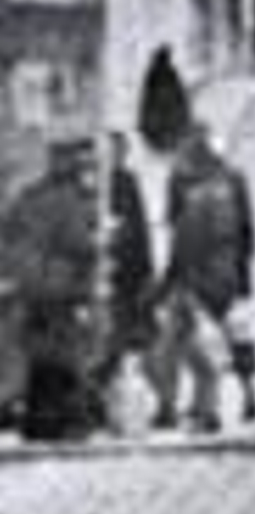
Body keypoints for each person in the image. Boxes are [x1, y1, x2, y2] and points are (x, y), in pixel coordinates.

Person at [153, 127, 255, 432]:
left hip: (196, 279)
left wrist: (169, 280)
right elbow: (248, 231)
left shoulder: (187, 188)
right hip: (228, 273)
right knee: (236, 336)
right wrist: (243, 271)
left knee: (180, 342)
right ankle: (246, 392)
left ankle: (181, 407)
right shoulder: (233, 180)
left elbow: (180, 235)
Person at [1, 139, 98, 440]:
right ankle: (69, 421)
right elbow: (80, 245)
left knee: (38, 352)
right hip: (58, 285)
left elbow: (7, 238)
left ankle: (38, 422)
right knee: (65, 353)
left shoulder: (27, 196)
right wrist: (86, 280)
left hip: (29, 286)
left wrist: (15, 275)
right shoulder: (68, 199)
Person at [101, 132, 160, 428]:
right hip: (103, 269)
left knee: (122, 335)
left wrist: (146, 271)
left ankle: (118, 405)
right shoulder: (94, 182)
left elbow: (139, 227)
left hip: (126, 271)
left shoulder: (127, 182)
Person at [136, 45, 191, 155]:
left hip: (165, 116)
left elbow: (146, 99)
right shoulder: (165, 72)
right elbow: (147, 98)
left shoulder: (158, 72)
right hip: (164, 115)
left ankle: (166, 145)